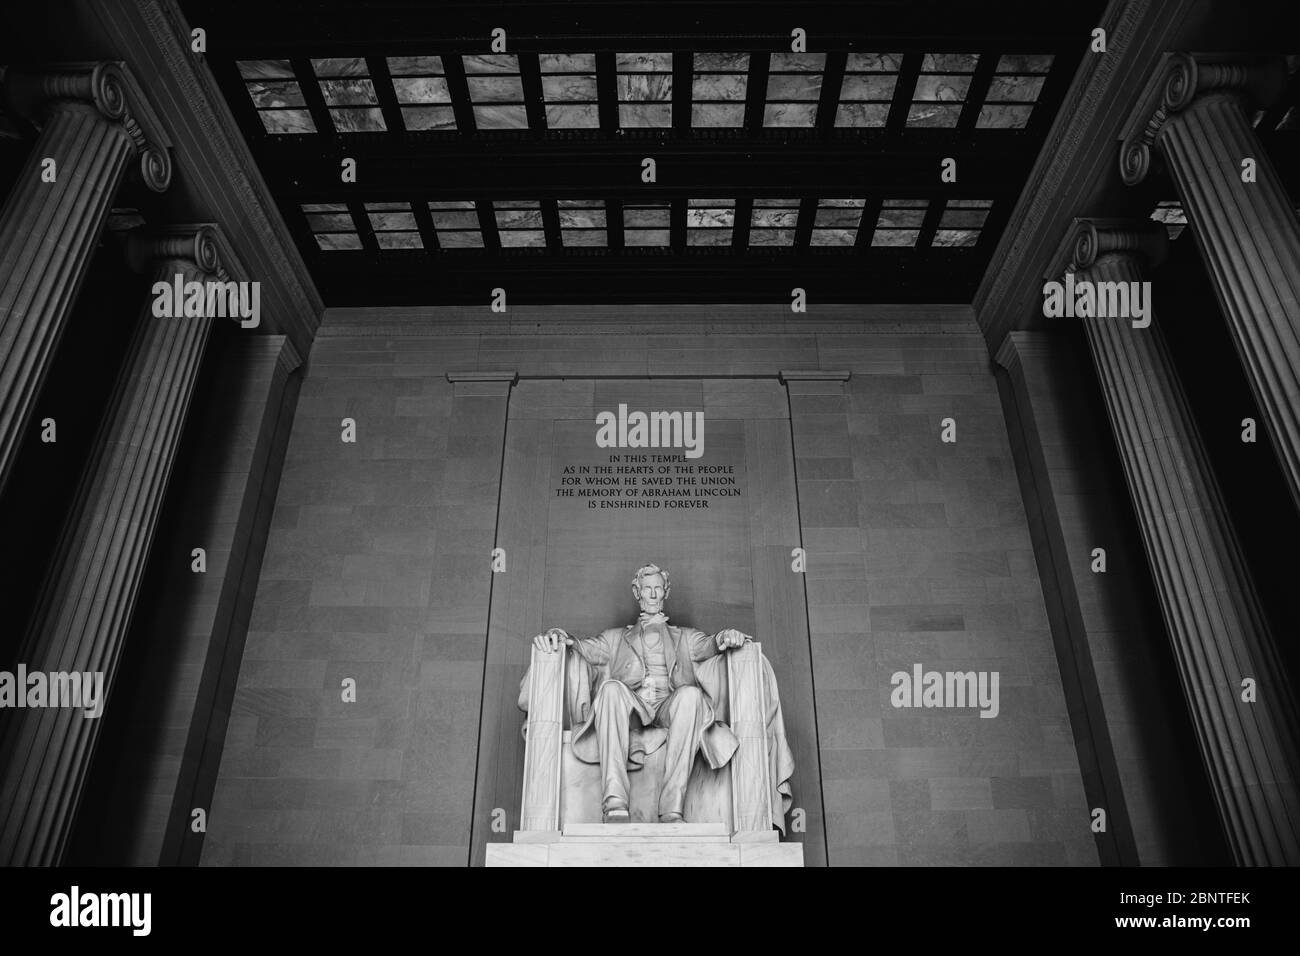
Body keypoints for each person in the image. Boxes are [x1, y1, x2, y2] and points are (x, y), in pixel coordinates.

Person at [532, 563, 749, 823]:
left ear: (666, 592)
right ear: (638, 592)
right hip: (632, 705)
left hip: (669, 705)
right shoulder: (615, 638)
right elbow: (581, 647)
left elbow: (711, 644)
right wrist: (557, 634)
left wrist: (727, 635)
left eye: (659, 588)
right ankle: (614, 802)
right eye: (648, 589)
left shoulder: (685, 637)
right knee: (610, 689)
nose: (654, 595)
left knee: (691, 696)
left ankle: (672, 807)